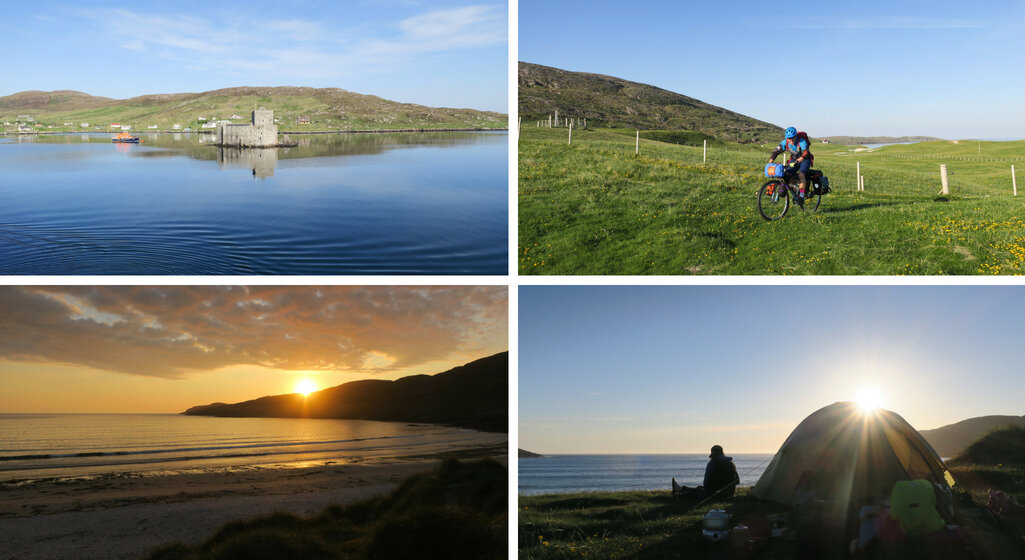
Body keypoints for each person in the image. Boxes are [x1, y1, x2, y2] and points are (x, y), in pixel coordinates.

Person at [671, 445, 739, 499]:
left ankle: (680, 491)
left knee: (700, 491)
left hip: (716, 494)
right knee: (700, 489)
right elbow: (737, 481)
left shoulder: (713, 464)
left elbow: (706, 482)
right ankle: (680, 489)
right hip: (730, 494)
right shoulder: (731, 463)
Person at [769, 127, 814, 206]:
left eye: (792, 138)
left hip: (805, 160)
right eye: (789, 138)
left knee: (801, 174)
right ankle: (797, 186)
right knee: (787, 174)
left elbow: (805, 154)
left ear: (795, 136)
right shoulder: (785, 142)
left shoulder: (802, 142)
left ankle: (801, 196)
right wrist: (771, 162)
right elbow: (776, 151)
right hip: (794, 159)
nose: (791, 140)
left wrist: (797, 162)